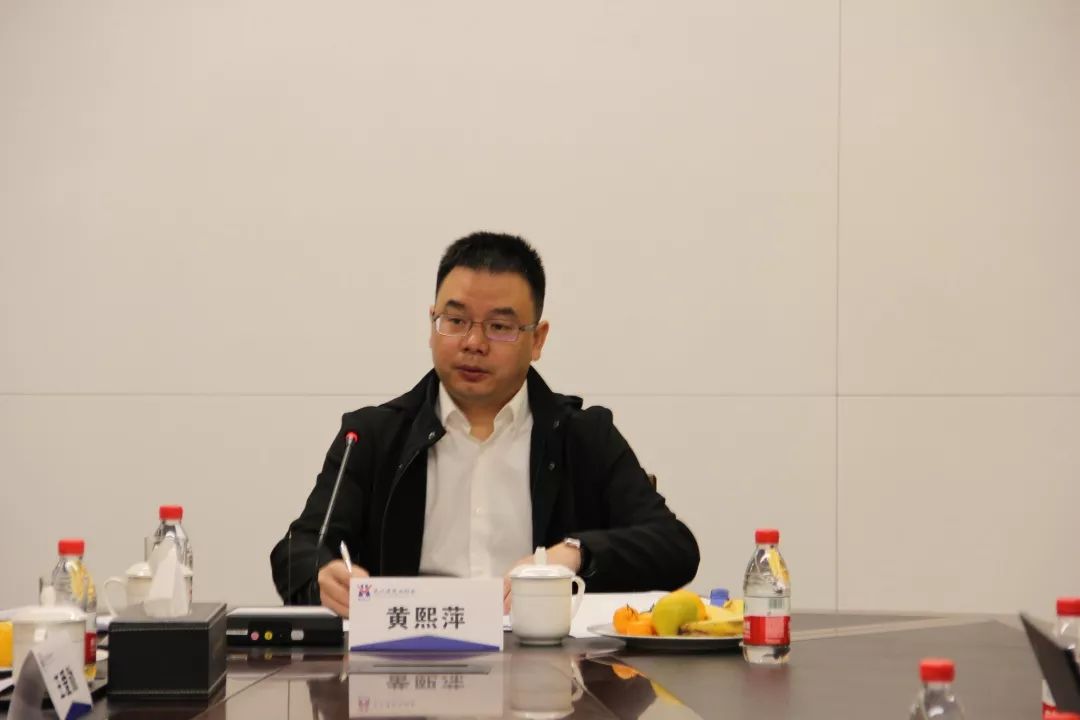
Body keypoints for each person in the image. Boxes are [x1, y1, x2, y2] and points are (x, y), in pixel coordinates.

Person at [270, 232, 699, 616]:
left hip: (547, 662)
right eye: (455, 321)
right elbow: (297, 549)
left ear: (537, 340)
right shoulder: (372, 437)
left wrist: (572, 556)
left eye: (499, 327)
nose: (473, 343)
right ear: (432, 324)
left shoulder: (583, 437)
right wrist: (322, 575)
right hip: (409, 658)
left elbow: (674, 547)